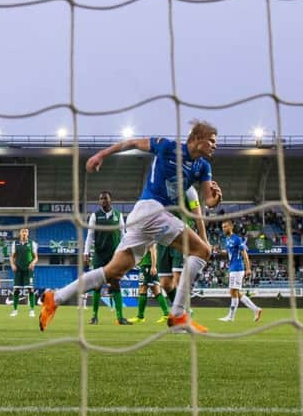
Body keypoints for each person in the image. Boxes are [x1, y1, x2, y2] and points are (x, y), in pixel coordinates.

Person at [40, 120, 222, 333]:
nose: (214, 145)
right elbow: (133, 143)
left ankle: (56, 298)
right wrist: (101, 155)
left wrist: (217, 199)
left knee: (113, 272)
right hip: (150, 210)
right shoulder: (168, 147)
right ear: (197, 138)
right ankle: (178, 314)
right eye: (211, 141)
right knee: (203, 251)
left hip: (146, 218)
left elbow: (208, 200)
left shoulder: (203, 167)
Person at [83, 191, 130, 325]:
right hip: (99, 255)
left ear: (110, 200)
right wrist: (86, 253)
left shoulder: (118, 216)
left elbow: (123, 235)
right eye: (101, 199)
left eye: (105, 198)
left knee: (115, 283)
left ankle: (120, 317)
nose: (103, 201)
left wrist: (125, 251)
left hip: (114, 256)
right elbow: (90, 236)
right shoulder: (94, 216)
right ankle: (94, 316)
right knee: (97, 285)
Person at [158, 186, 208, 308]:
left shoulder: (189, 190)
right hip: (163, 238)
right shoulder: (159, 186)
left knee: (178, 278)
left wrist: (204, 240)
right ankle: (180, 310)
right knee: (165, 284)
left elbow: (198, 216)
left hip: (181, 235)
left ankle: (182, 312)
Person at [218, 219, 262, 322]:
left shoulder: (237, 239)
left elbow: (244, 253)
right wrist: (219, 251)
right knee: (236, 292)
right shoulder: (227, 239)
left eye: (225, 227)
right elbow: (229, 252)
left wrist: (248, 268)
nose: (223, 229)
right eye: (222, 227)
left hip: (237, 268)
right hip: (232, 267)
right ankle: (256, 309)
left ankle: (231, 317)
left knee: (233, 291)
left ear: (231, 227)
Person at [128, 244, 170, 324]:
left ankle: (140, 316)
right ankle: (166, 314)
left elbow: (153, 251)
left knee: (143, 289)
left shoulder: (149, 238)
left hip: (148, 266)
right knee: (156, 290)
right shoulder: (146, 239)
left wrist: (153, 266)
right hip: (146, 265)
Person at [9, 228, 38, 317]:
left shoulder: (32, 243)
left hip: (28, 269)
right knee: (16, 290)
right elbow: (12, 256)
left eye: (26, 232)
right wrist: (12, 265)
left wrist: (33, 263)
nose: (24, 233)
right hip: (18, 269)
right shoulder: (15, 244)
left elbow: (36, 257)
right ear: (20, 233)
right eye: (23, 232)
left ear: (28, 234)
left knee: (31, 289)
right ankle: (15, 310)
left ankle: (32, 310)